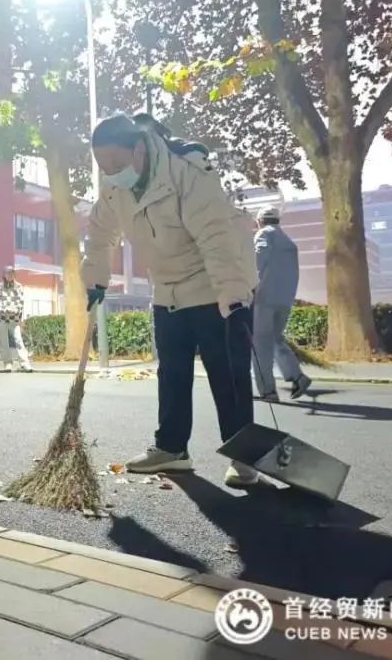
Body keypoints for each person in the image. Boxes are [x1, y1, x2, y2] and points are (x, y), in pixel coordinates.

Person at [83, 113, 260, 488]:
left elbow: (216, 236)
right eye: (103, 166)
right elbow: (100, 232)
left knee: (227, 374)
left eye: (116, 163)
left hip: (215, 285)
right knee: (173, 373)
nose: (110, 172)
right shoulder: (115, 187)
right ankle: (172, 450)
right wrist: (95, 278)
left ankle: (245, 458)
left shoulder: (186, 171)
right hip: (167, 288)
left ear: (139, 149)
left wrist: (233, 295)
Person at [252, 205, 312, 401]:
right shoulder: (289, 242)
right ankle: (298, 377)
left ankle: (268, 391)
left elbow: (259, 260)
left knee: (260, 344)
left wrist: (251, 286)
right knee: (276, 339)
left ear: (259, 221)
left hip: (264, 299)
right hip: (284, 300)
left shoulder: (263, 235)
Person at [0, 265, 33, 373]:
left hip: (14, 319)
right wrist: (3, 309)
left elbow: (21, 301)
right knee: (4, 342)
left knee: (19, 340)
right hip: (1, 318)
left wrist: (16, 310)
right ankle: (7, 363)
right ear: (4, 275)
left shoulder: (18, 286)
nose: (11, 275)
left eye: (12, 273)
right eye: (8, 273)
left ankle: (25, 363)